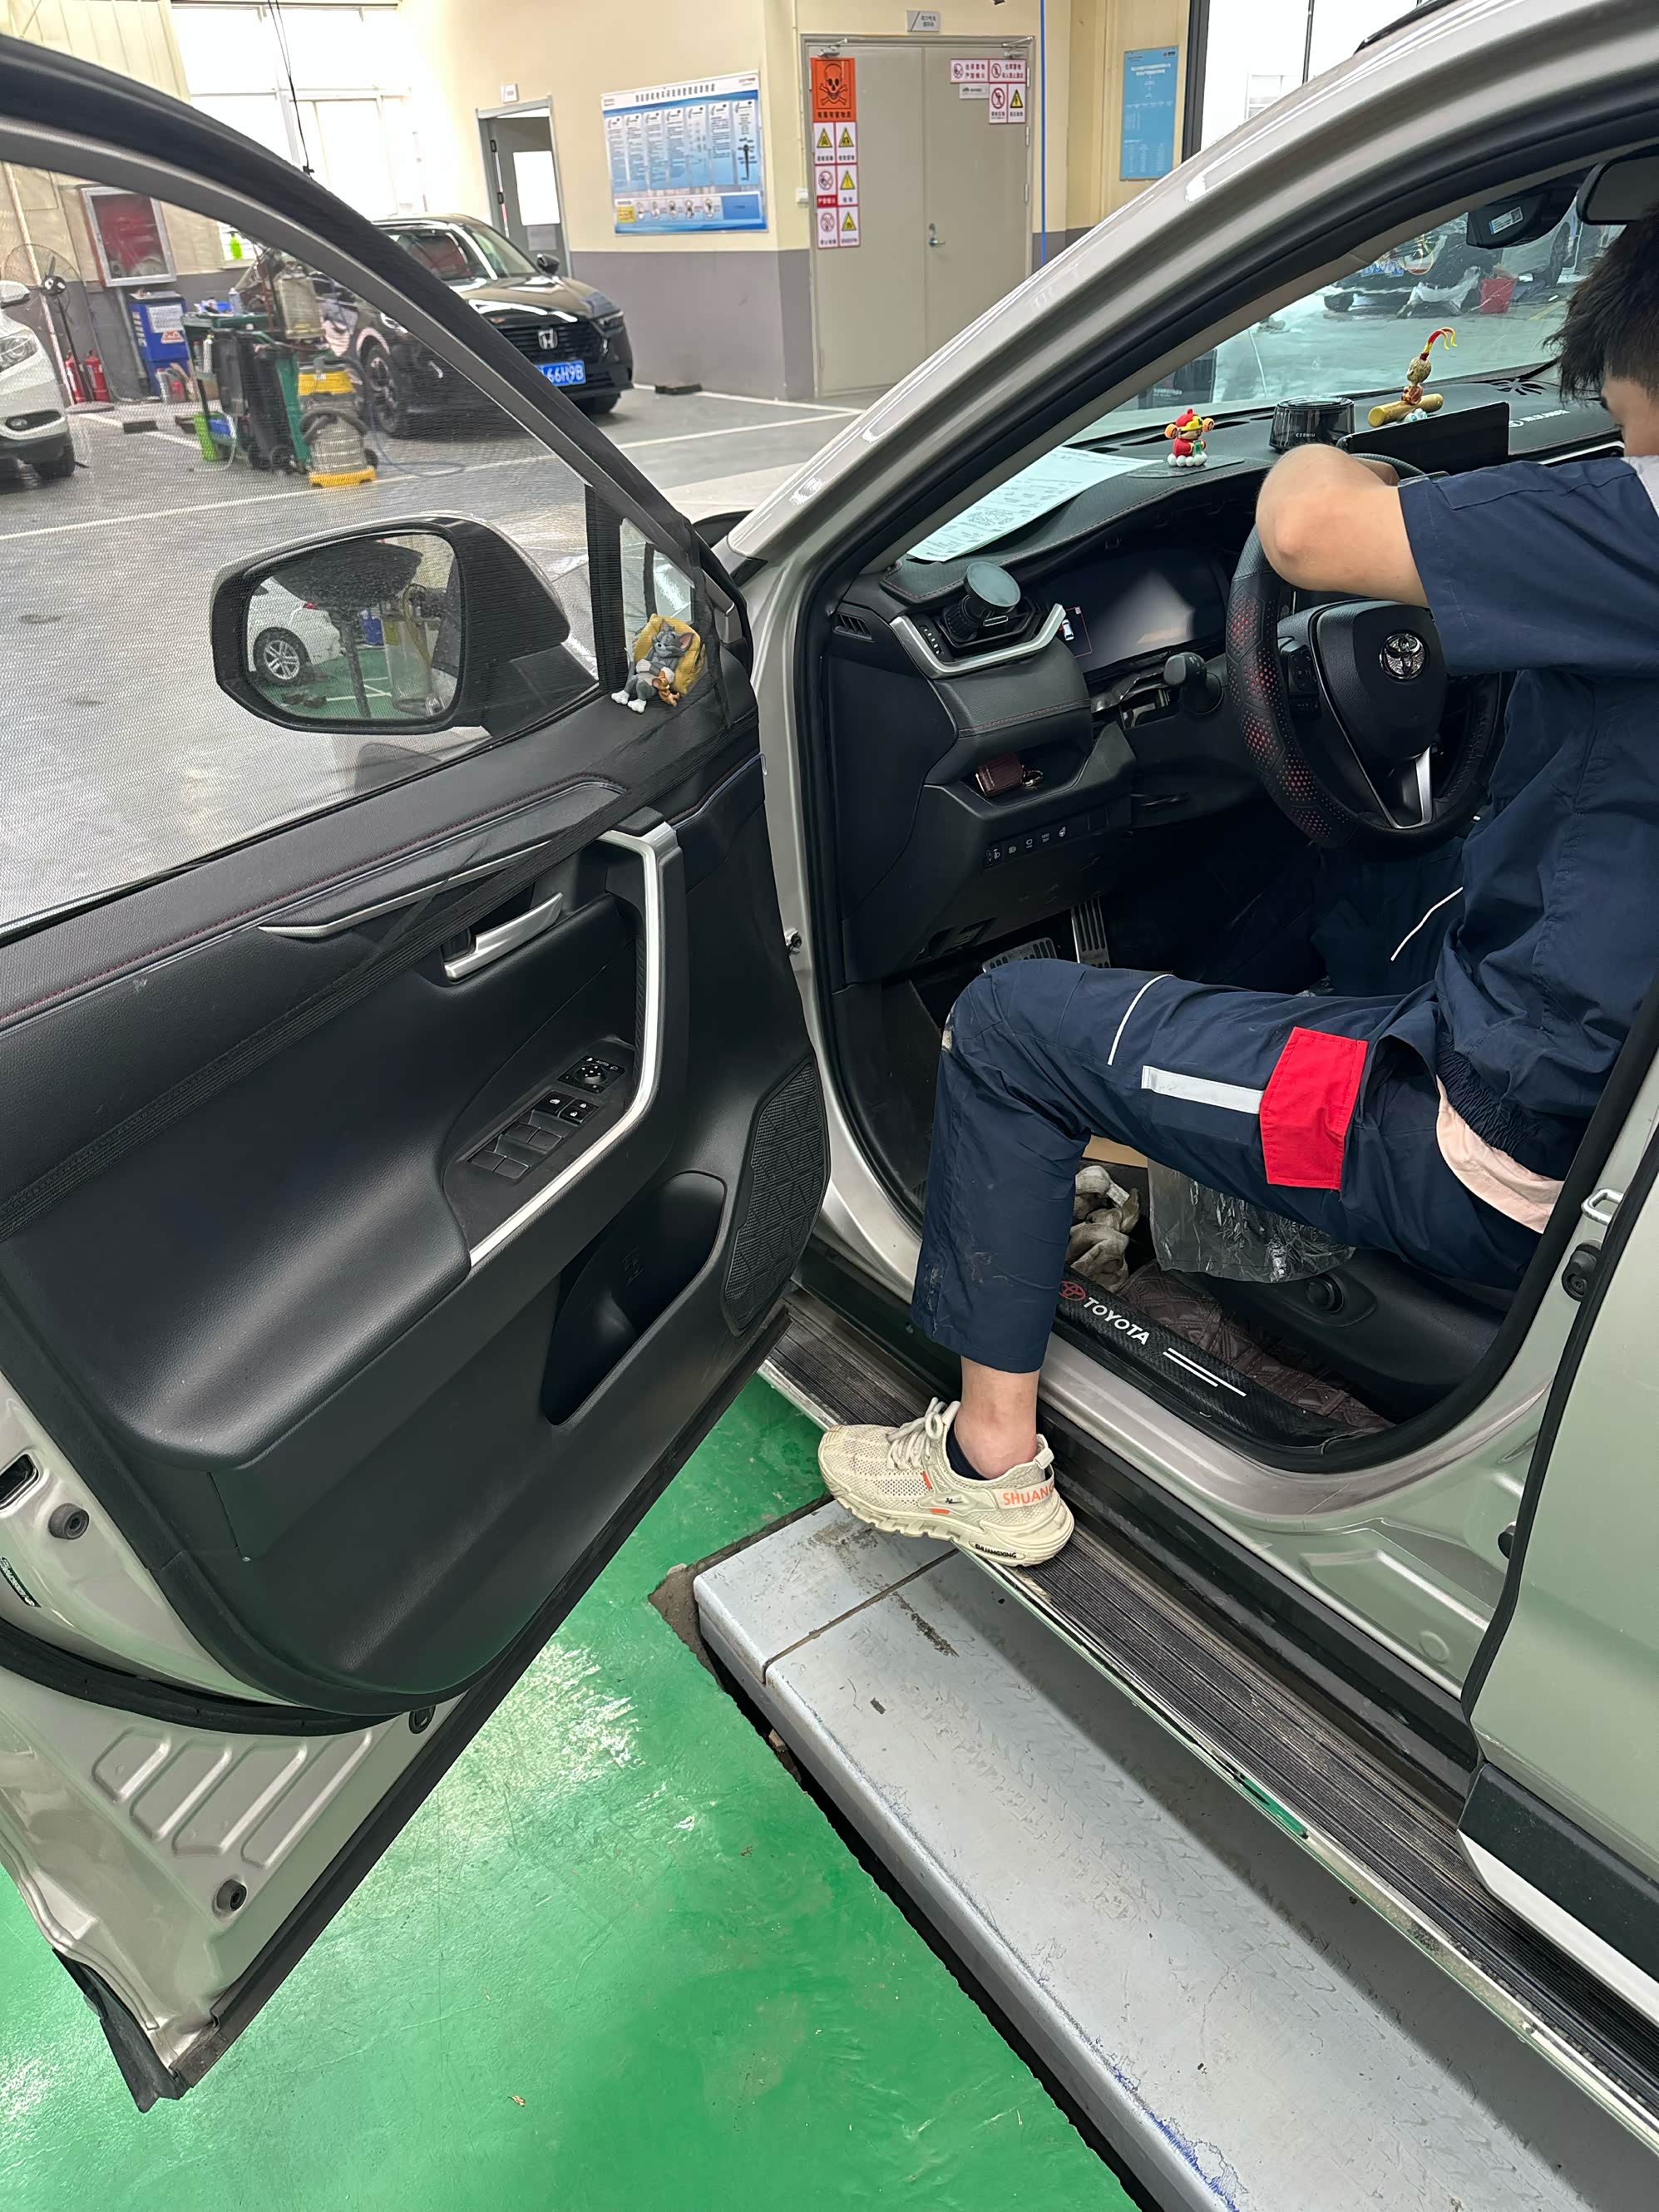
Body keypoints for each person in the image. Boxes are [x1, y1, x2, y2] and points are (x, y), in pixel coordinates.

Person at [819, 215, 1659, 1568]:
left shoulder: (1643, 526)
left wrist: (1340, 454)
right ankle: (1128, 1159)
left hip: (1508, 1163)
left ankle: (987, 1467)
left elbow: (1309, 527)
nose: (1625, 460)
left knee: (1011, 1029)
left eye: (1628, 428)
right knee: (1354, 894)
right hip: (1604, 1092)